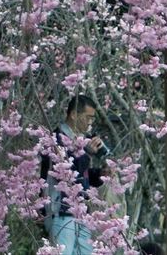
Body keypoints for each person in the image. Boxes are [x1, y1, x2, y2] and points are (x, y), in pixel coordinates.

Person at [44, 94, 107, 255]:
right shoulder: (56, 140)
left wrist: (101, 174)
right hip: (62, 212)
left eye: (92, 118)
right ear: (73, 114)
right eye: (88, 117)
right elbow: (67, 174)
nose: (90, 122)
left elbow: (82, 176)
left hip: (82, 211)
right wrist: (86, 153)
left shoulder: (81, 139)